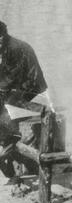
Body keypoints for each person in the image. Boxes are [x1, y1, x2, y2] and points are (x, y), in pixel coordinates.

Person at [0, 21, 50, 180]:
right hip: (13, 94)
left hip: (30, 95)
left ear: (2, 36)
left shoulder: (17, 49)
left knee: (5, 117)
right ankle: (7, 150)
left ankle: (7, 149)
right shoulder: (5, 48)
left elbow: (25, 81)